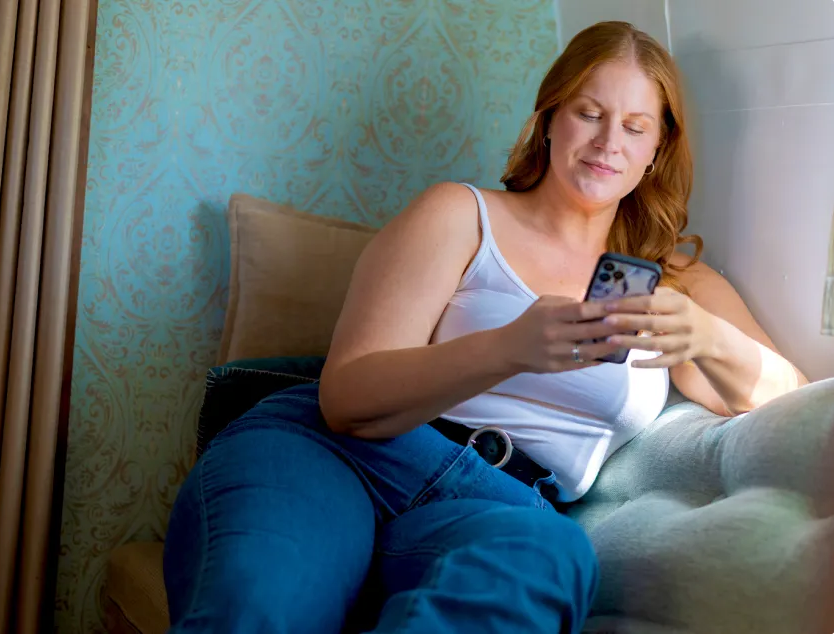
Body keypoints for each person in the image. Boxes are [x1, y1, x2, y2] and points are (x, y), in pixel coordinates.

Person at [163, 21, 809, 634]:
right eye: (588, 112)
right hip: (338, 454)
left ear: (655, 150)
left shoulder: (675, 282)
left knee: (547, 555)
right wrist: (508, 347)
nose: (609, 141)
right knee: (265, 606)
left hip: (500, 507)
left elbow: (790, 405)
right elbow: (346, 399)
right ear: (548, 118)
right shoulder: (460, 214)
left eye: (635, 126)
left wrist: (707, 336)